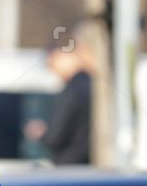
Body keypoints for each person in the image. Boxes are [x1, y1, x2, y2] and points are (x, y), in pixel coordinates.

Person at [24, 35, 95, 165]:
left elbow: (55, 138)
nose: (54, 71)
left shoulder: (72, 90)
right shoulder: (92, 85)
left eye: (52, 63)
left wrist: (41, 133)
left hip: (68, 166)